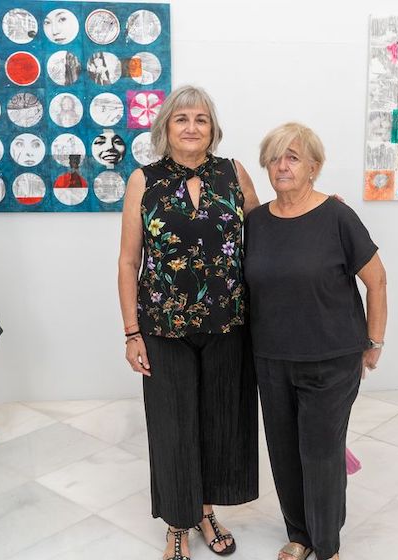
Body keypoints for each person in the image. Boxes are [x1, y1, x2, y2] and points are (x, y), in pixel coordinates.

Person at [117, 85, 261, 560]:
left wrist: (316, 211)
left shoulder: (233, 172)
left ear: (213, 128)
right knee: (173, 425)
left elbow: (268, 233)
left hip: (228, 324)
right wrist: (132, 332)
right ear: (166, 127)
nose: (192, 127)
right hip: (163, 327)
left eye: (201, 119)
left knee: (219, 422)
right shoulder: (144, 180)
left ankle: (204, 510)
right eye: (182, 119)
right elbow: (128, 261)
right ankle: (177, 523)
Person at [245, 123, 388, 560]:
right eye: (274, 158)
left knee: (321, 454)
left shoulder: (337, 216)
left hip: (331, 358)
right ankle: (300, 535)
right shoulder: (256, 223)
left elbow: (377, 280)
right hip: (272, 358)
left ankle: (327, 546)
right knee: (285, 453)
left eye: (292, 157)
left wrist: (374, 341)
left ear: (314, 167)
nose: (282, 166)